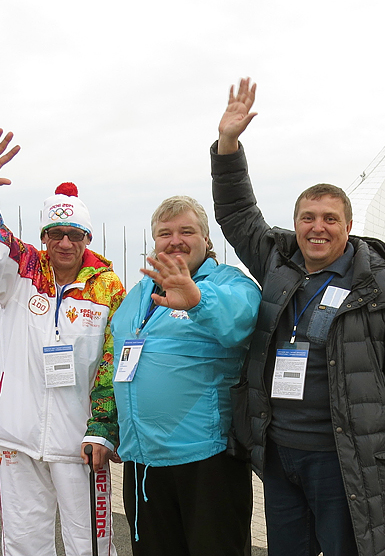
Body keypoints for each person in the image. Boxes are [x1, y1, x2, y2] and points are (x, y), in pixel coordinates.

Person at [210, 78, 385, 556]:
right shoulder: (276, 262)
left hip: (345, 462)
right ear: (295, 223)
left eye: (330, 219)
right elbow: (236, 213)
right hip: (280, 456)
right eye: (308, 217)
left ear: (349, 227)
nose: (317, 227)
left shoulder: (383, 291)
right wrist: (228, 145)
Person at [0, 129, 125, 556]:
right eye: (55, 233)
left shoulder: (108, 288)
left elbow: (113, 362)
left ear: (87, 238)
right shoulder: (21, 271)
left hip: (82, 444)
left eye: (74, 233)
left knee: (90, 544)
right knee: (23, 544)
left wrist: (103, 430)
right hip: (19, 435)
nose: (64, 242)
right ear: (44, 236)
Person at [97, 195, 262, 556]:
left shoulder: (229, 282)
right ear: (153, 242)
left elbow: (241, 322)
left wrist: (197, 298)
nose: (175, 240)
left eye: (187, 231)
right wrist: (106, 428)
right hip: (143, 462)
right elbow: (116, 365)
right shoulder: (139, 293)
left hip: (206, 460)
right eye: (165, 233)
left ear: (206, 240)